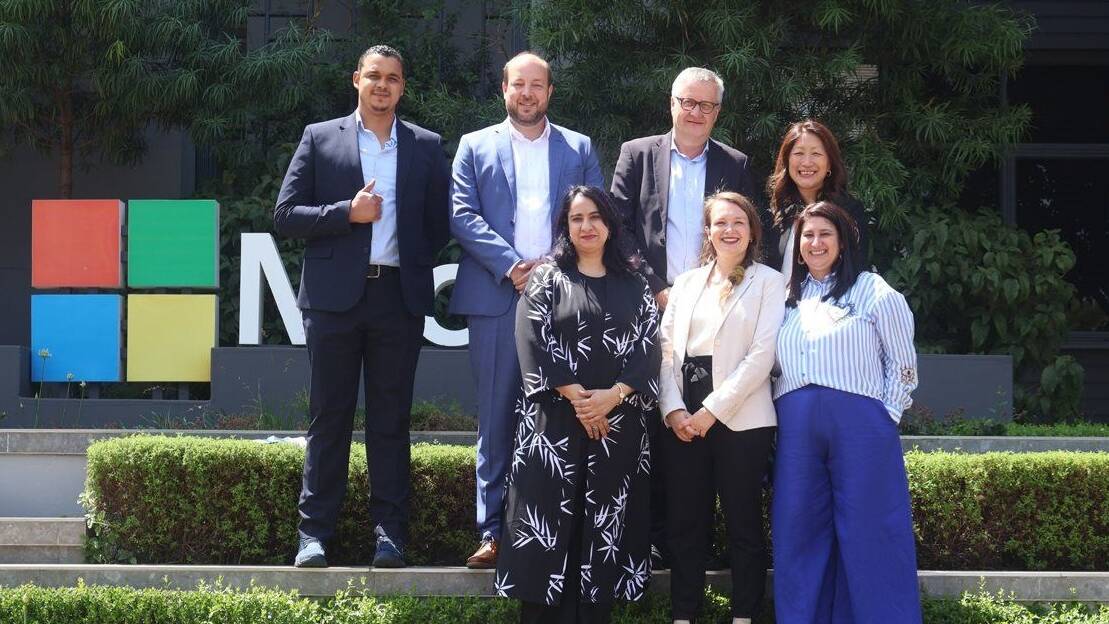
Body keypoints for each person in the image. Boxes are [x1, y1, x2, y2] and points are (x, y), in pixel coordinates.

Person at [274, 45, 450, 569]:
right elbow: (286, 215)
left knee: (391, 422)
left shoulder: (425, 145)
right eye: (374, 76)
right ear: (356, 80)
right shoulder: (320, 137)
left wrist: (411, 262)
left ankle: (390, 537)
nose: (382, 85)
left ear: (402, 87)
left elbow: (439, 224)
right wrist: (345, 213)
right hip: (333, 302)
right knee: (328, 418)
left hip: (397, 298)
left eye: (392, 78)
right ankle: (313, 536)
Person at [450, 51, 605, 569]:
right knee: (496, 417)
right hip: (497, 296)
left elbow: (594, 214)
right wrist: (514, 266)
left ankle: (561, 531)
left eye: (537, 85)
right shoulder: (474, 146)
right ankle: (493, 532)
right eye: (519, 84)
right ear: (504, 89)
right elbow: (462, 215)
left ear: (550, 92)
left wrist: (552, 266)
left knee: (565, 415)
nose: (527, 93)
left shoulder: (578, 147)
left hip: (567, 298)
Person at [610, 66, 753, 568]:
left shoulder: (734, 163)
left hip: (715, 311)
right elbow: (619, 228)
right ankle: (653, 538)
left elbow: (742, 232)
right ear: (671, 104)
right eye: (687, 102)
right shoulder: (637, 154)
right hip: (654, 303)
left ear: (718, 112)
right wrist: (657, 287)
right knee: (653, 418)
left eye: (706, 105)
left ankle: (694, 539)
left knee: (701, 418)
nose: (695, 112)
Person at [495, 185, 659, 624]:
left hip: (616, 429)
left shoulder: (636, 284)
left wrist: (612, 396)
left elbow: (648, 349)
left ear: (610, 224)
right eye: (577, 218)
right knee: (547, 532)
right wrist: (579, 398)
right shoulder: (546, 278)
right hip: (553, 429)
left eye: (595, 217)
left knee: (601, 534)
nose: (587, 226)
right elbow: (531, 338)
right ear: (565, 227)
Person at [771, 202, 921, 623]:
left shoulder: (872, 289)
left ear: (842, 242)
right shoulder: (784, 298)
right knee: (798, 530)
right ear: (798, 246)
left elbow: (903, 362)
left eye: (825, 234)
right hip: (796, 428)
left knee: (872, 530)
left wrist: (887, 415)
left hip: (862, 426)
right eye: (808, 235)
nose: (815, 243)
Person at [658, 192, 785, 624]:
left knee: (743, 524)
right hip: (682, 418)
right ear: (708, 232)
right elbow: (665, 350)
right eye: (720, 223)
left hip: (742, 418)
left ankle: (744, 615)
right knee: (685, 524)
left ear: (752, 232)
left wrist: (711, 411)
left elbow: (761, 356)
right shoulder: (686, 283)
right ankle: (684, 614)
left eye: (738, 223)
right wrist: (673, 410)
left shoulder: (769, 282)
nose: (729, 230)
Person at [764, 120, 869, 280]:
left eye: (816, 154)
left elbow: (855, 269)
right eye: (799, 153)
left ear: (829, 164)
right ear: (787, 161)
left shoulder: (849, 212)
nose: (807, 162)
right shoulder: (776, 215)